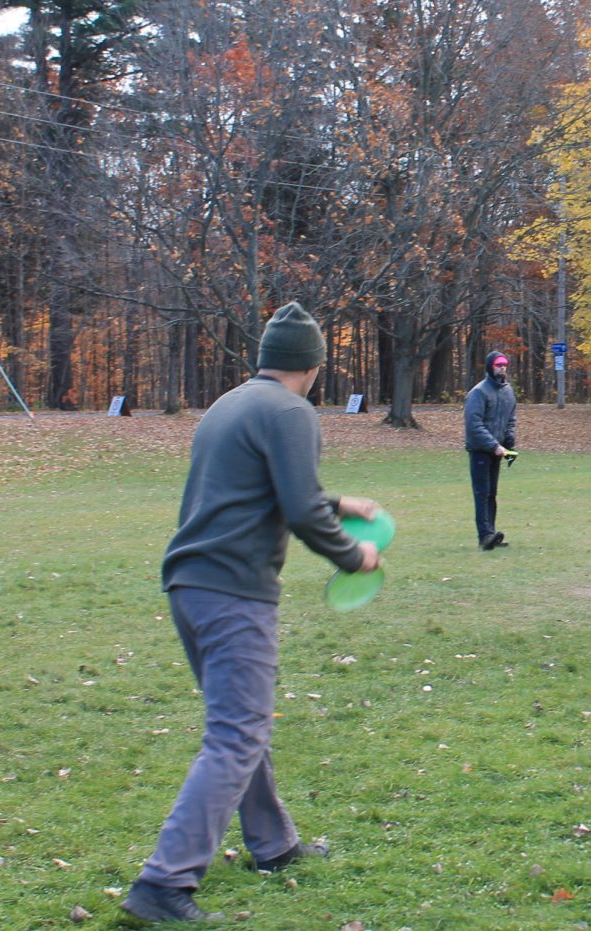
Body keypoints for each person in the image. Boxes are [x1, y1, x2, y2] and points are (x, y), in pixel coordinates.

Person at [122, 302, 383, 924]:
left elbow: (258, 486)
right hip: (234, 590)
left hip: (190, 584)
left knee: (241, 722)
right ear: (313, 365)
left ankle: (273, 845)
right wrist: (355, 556)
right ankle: (163, 883)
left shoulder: (231, 404)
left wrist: (338, 498)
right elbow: (298, 510)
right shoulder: (292, 411)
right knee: (238, 733)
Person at [464, 350, 517, 551]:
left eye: (504, 364)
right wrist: (494, 445)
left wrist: (509, 442)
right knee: (482, 492)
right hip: (480, 450)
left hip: (498, 450)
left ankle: (492, 533)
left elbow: (511, 419)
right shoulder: (478, 392)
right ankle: (485, 536)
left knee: (491, 493)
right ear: (490, 367)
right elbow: (474, 425)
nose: (502, 368)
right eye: (498, 365)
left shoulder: (508, 391)